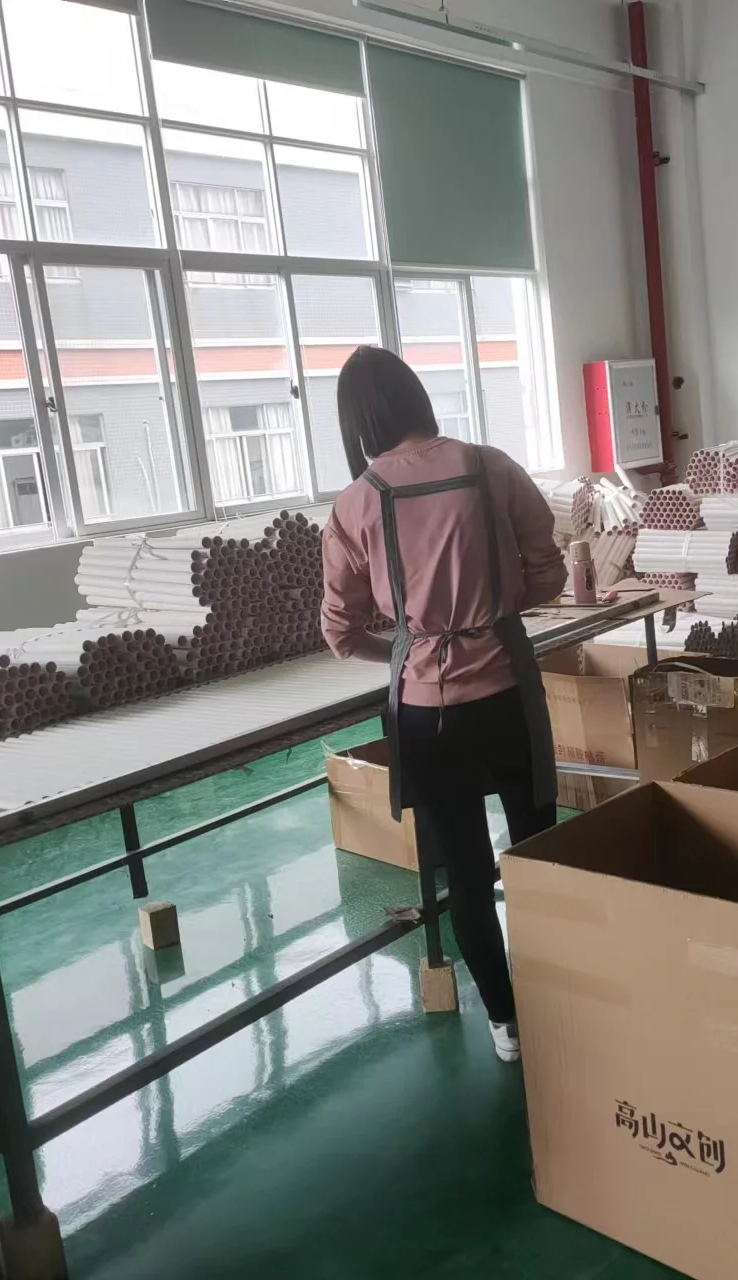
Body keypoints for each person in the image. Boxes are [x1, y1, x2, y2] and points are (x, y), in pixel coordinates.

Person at [319, 346, 566, 1062]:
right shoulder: (492, 467)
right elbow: (548, 575)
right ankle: (562, 998)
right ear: (416, 397)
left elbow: (340, 633)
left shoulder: (356, 502)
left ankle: (506, 1024)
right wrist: (492, 615)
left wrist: (409, 651)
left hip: (426, 715)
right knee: (540, 853)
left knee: (465, 871)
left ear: (357, 420)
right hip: (508, 693)